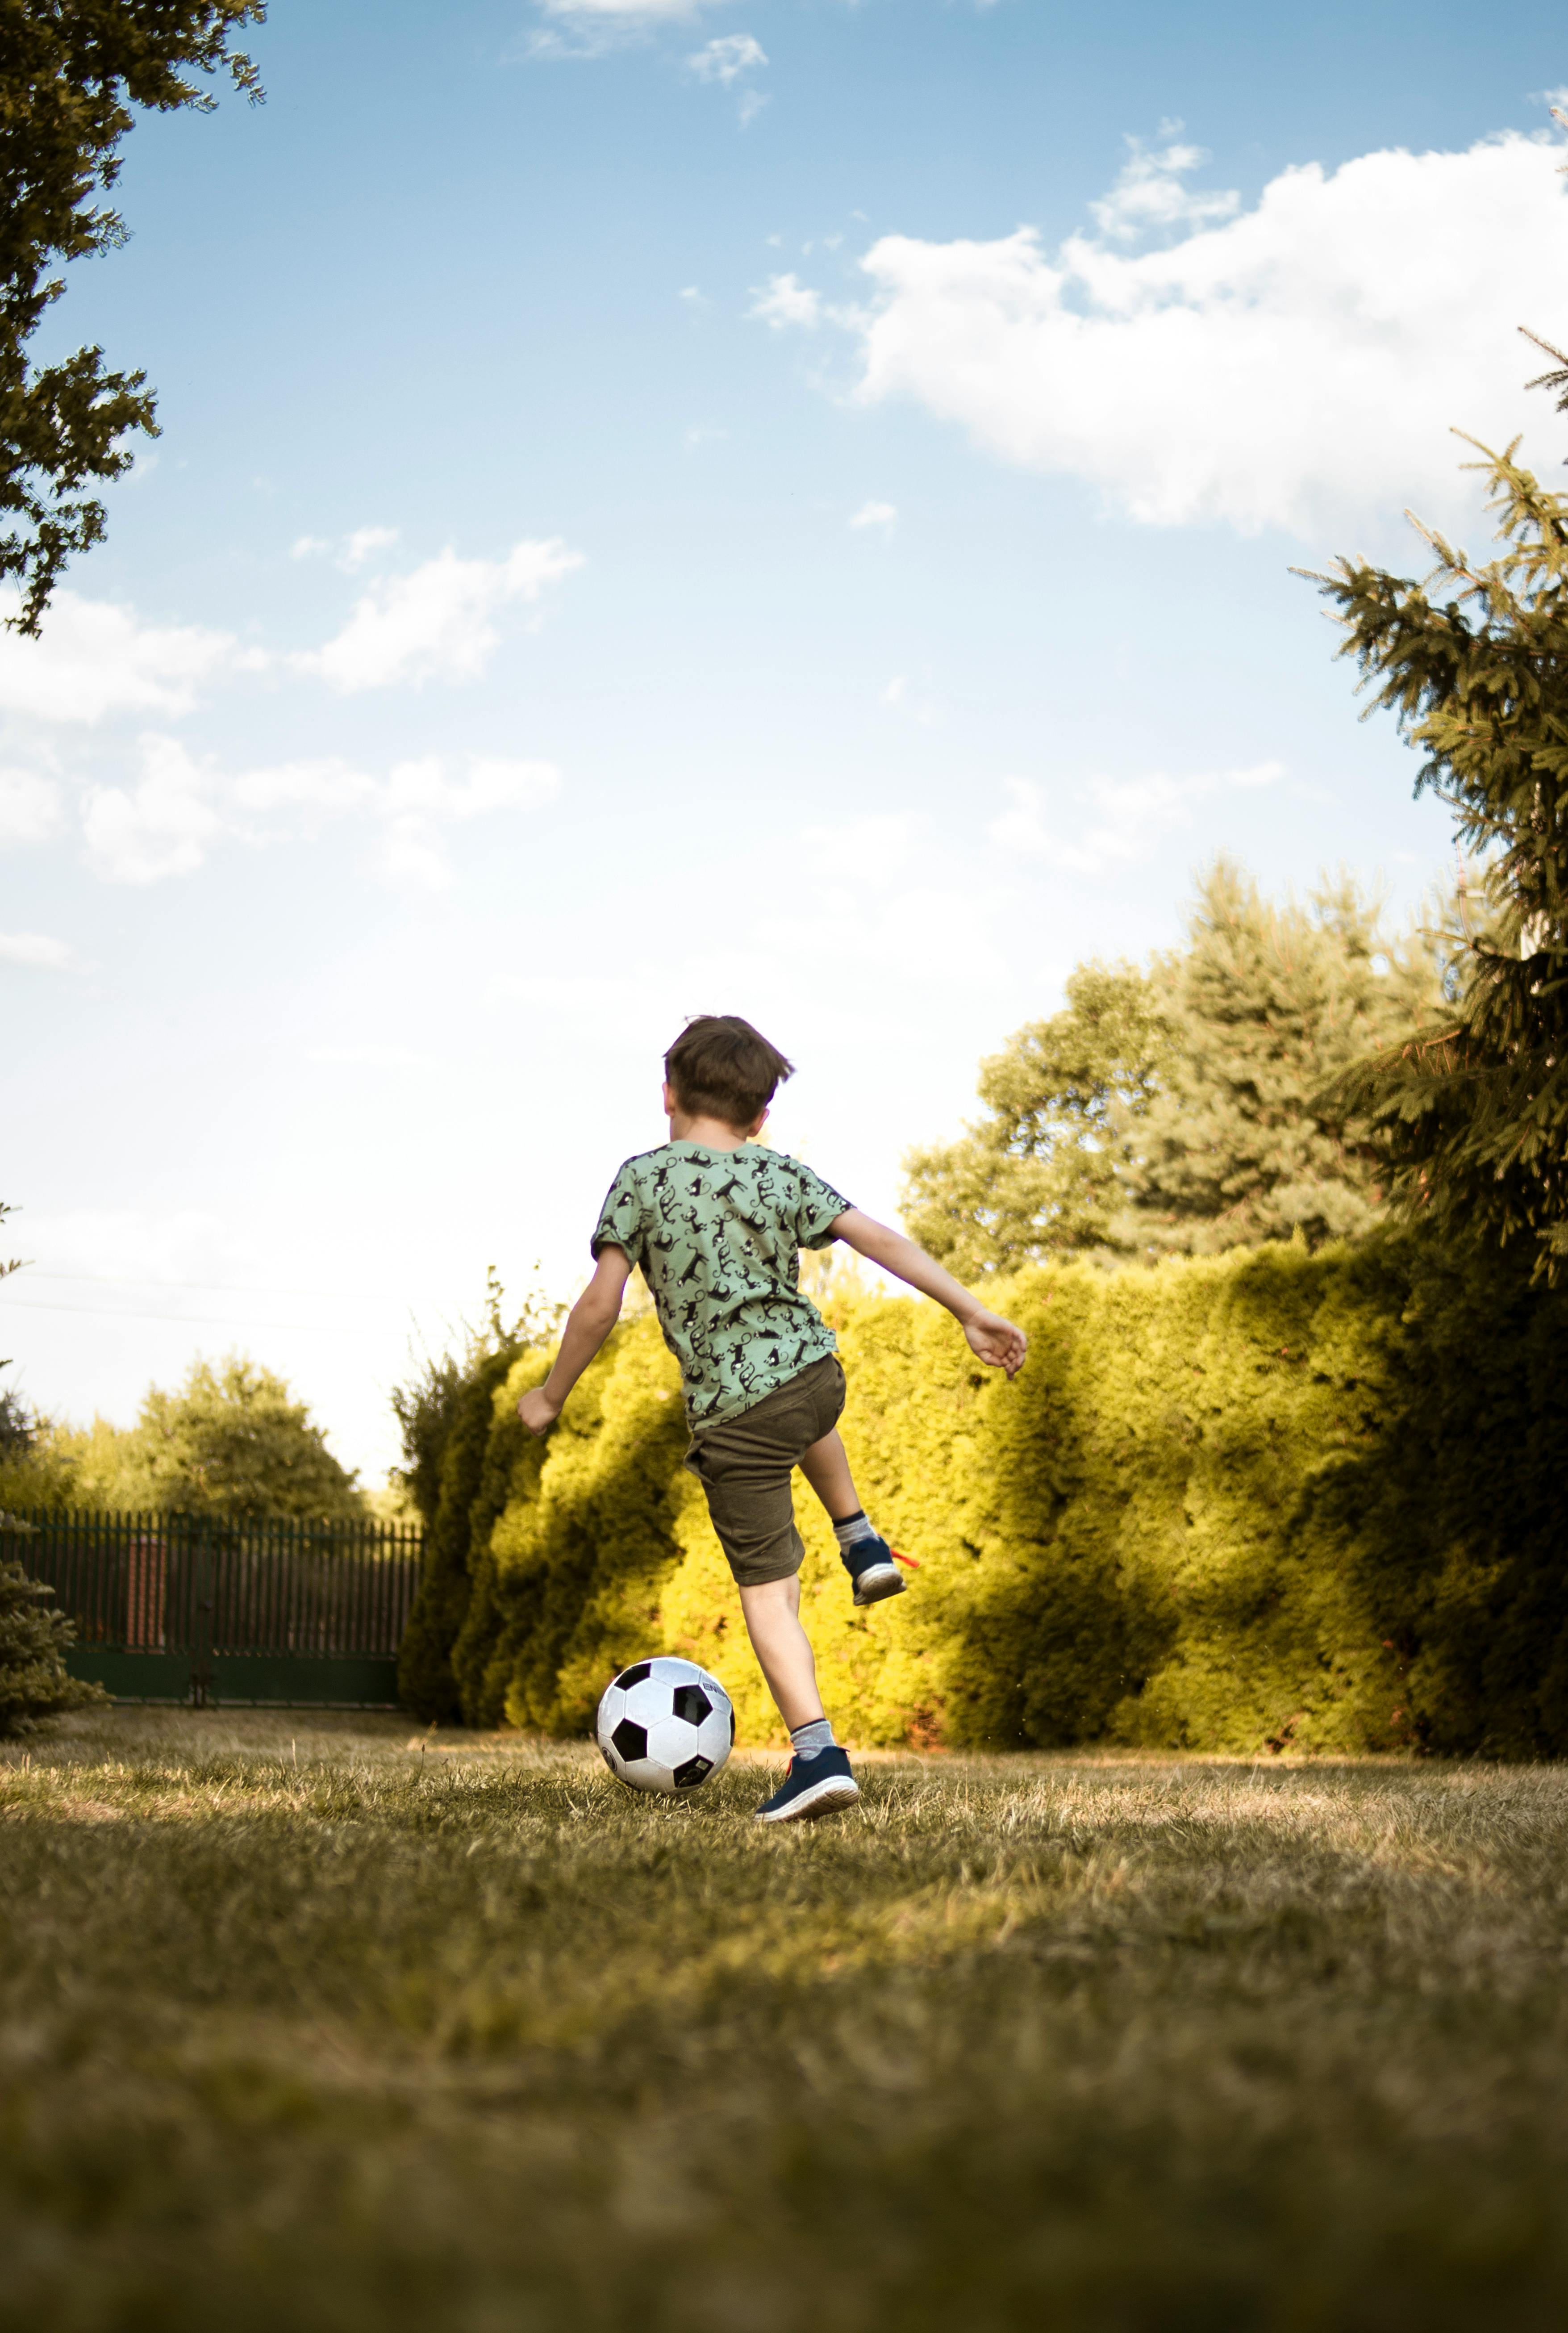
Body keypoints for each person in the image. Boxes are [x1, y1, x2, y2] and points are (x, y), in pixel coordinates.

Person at [517, 1014, 1028, 1823]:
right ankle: (859, 1536)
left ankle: (818, 1754)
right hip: (817, 1378)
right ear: (761, 1117)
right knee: (800, 1402)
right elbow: (880, 1241)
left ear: (667, 1095)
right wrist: (972, 1311)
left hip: (735, 1420)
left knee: (768, 1598)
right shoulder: (779, 1174)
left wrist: (551, 1395)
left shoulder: (643, 1180)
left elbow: (598, 1304)